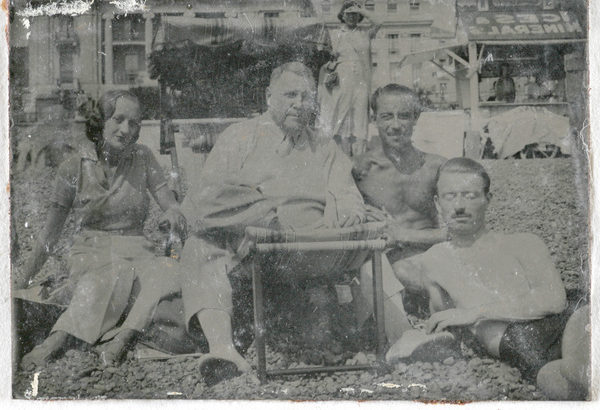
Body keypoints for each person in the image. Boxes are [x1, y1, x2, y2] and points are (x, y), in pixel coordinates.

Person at [179, 62, 366, 376]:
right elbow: (204, 199)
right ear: (268, 97)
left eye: (306, 97)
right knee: (198, 248)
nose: (299, 103)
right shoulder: (240, 136)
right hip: (254, 251)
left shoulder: (323, 144)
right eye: (290, 94)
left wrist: (348, 211)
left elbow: (347, 192)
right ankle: (222, 350)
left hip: (314, 247)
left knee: (372, 248)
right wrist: (262, 213)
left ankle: (403, 335)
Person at [15, 91, 186, 368]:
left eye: (134, 124)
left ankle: (122, 338)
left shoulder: (143, 157)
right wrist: (20, 284)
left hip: (138, 254)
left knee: (169, 270)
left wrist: (174, 214)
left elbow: (170, 204)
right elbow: (50, 235)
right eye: (118, 119)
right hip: (91, 255)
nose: (126, 130)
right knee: (112, 275)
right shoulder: (73, 167)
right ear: (101, 121)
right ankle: (54, 342)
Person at [391, 157, 572, 382]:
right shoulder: (434, 260)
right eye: (450, 196)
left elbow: (554, 300)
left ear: (488, 199)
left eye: (470, 195)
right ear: (437, 203)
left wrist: (474, 313)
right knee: (559, 383)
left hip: (565, 324)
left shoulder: (523, 243)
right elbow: (444, 325)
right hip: (518, 346)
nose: (459, 206)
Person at [352, 84, 450, 362]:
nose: (396, 126)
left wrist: (402, 234)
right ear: (374, 120)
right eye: (387, 117)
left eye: (404, 116)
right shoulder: (360, 169)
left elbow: (460, 231)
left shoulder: (435, 166)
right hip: (386, 263)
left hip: (427, 257)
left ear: (416, 118)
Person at [317, 1, 383, 157]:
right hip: (341, 78)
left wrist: (361, 9)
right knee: (341, 115)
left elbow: (379, 22)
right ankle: (342, 156)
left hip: (361, 79)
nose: (351, 16)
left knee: (360, 116)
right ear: (342, 15)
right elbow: (322, 53)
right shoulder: (335, 33)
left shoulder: (365, 32)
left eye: (355, 13)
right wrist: (329, 55)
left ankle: (359, 155)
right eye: (348, 13)